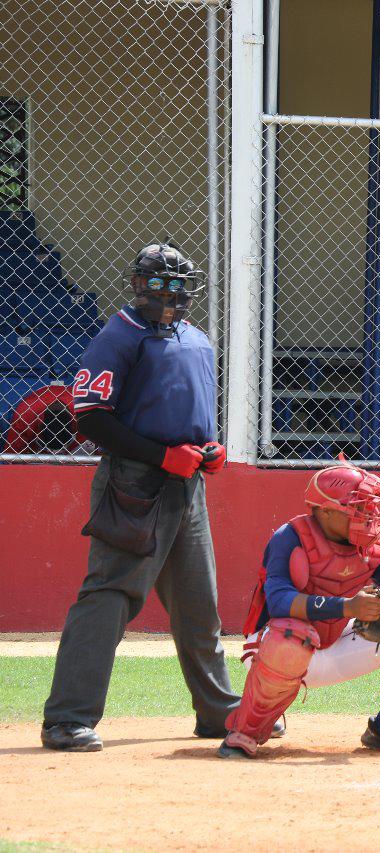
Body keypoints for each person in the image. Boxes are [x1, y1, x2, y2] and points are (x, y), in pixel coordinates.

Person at [41, 243, 242, 752]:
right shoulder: (119, 335)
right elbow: (90, 417)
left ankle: (218, 713)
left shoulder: (197, 338)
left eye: (178, 285)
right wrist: (159, 456)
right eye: (159, 284)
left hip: (186, 484)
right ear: (137, 284)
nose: (169, 294)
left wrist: (210, 450)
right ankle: (67, 718)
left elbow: (189, 411)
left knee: (199, 605)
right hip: (134, 484)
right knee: (110, 595)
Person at [217, 461, 380, 758]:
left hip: (337, 642)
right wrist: (348, 607)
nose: (368, 517)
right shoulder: (290, 537)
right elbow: (278, 602)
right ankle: (248, 728)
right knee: (291, 636)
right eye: (358, 510)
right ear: (325, 511)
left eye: (369, 509)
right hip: (276, 645)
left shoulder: (371, 543)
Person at [3, 383, 94, 455]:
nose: (56, 454)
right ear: (40, 425)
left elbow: (103, 457)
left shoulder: (88, 415)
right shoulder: (25, 415)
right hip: (35, 426)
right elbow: (11, 457)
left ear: (75, 428)